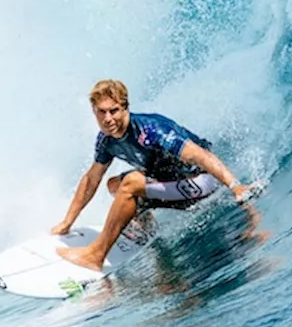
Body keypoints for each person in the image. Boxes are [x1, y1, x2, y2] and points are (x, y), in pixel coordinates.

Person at [52, 79, 258, 271]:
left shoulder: (151, 130)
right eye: (101, 112)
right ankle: (145, 225)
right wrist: (67, 222)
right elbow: (91, 179)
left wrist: (235, 186)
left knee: (130, 183)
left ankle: (95, 256)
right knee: (114, 184)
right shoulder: (107, 140)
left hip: (200, 181)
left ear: (125, 108)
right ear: (93, 111)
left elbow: (201, 156)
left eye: (113, 111)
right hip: (171, 183)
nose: (108, 119)